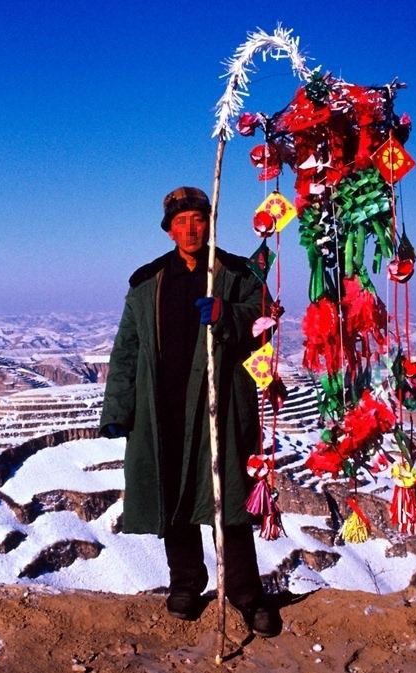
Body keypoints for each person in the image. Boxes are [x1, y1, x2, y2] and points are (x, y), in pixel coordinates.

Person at [99, 186, 282, 637]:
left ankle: (245, 593)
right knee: (174, 498)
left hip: (219, 406)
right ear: (168, 230)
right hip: (162, 408)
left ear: (210, 222)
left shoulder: (237, 274)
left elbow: (267, 321)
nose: (190, 229)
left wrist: (228, 314)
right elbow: (127, 349)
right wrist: (118, 408)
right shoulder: (147, 282)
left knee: (228, 501)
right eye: (180, 222)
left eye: (198, 219)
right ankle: (186, 583)